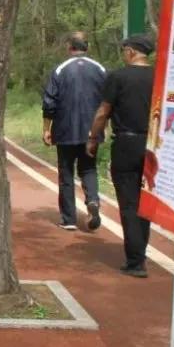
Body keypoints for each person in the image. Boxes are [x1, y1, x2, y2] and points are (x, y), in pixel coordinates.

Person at [87, 34, 156, 277]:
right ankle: (140, 251)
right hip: (152, 145)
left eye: (124, 50)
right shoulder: (158, 77)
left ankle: (135, 261)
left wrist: (93, 138)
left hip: (126, 143)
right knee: (146, 200)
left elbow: (103, 111)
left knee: (128, 202)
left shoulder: (118, 77)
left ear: (131, 52)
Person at [42, 32, 106, 231]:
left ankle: (69, 218)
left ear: (69, 47)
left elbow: (49, 102)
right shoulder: (100, 69)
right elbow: (108, 100)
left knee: (66, 172)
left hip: (65, 129)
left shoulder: (60, 70)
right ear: (87, 47)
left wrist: (46, 129)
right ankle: (92, 200)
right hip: (92, 130)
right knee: (89, 168)